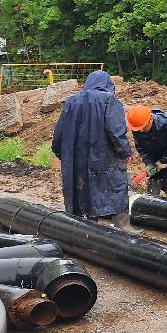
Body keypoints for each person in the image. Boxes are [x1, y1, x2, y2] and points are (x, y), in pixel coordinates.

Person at [51, 70, 134, 229]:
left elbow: (58, 136)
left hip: (76, 160)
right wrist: (125, 152)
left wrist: (66, 157)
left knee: (82, 193)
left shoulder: (71, 102)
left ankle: (88, 230)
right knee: (115, 187)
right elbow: (116, 131)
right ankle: (123, 231)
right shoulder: (109, 100)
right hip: (104, 158)